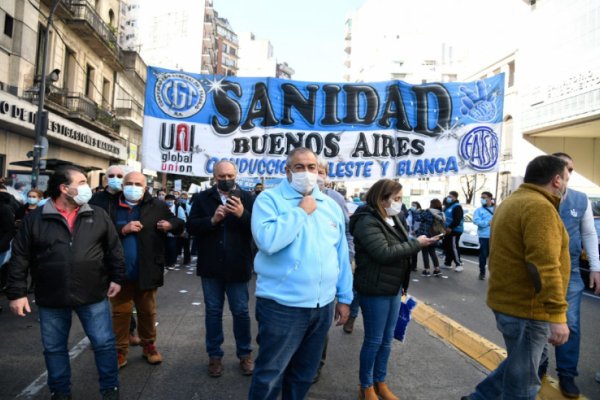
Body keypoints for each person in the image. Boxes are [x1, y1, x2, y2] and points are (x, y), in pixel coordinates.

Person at [6, 166, 125, 400]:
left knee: (104, 344)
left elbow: (114, 250)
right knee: (54, 349)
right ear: (64, 188)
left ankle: (110, 389)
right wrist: (17, 293)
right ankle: (60, 392)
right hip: (51, 296)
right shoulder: (36, 219)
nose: (86, 187)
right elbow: (20, 256)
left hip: (92, 293)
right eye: (81, 182)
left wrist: (117, 278)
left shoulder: (97, 214)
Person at [461, 155, 572, 400]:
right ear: (556, 180)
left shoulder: (512, 201)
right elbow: (543, 265)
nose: (566, 184)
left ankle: (479, 397)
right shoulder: (539, 207)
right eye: (566, 177)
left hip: (511, 306)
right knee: (523, 384)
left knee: (524, 362)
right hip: (527, 310)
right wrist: (557, 315)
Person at [249, 147, 353, 400]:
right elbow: (268, 242)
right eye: (299, 167)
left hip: (322, 306)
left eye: (312, 168)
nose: (307, 173)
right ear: (287, 171)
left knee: (305, 373)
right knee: (270, 374)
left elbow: (340, 255)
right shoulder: (269, 200)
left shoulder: (330, 205)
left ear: (319, 171)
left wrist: (345, 297)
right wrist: (301, 211)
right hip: (281, 306)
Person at [350, 179, 436, 400]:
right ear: (382, 198)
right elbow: (383, 252)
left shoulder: (394, 218)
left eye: (400, 199)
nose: (399, 203)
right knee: (374, 340)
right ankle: (366, 386)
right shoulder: (366, 220)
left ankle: (381, 382)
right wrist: (417, 244)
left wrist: (417, 240)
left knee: (387, 339)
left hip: (394, 286)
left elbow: (401, 242)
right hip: (374, 288)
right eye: (396, 199)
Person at [538, 152, 600, 398]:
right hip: (537, 270)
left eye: (571, 170)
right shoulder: (534, 196)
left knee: (570, 324)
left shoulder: (580, 199)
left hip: (571, 271)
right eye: (565, 169)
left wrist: (595, 267)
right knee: (537, 322)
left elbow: (588, 234)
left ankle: (567, 374)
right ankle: (538, 365)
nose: (568, 174)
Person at [186, 160, 255, 377]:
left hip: (237, 266)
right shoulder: (202, 198)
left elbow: (259, 230)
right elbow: (191, 227)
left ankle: (245, 354)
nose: (226, 180)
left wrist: (243, 214)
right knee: (213, 312)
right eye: (221, 176)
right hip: (211, 267)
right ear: (214, 177)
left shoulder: (249, 198)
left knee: (241, 312)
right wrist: (212, 220)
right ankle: (214, 356)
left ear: (236, 174)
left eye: (229, 175)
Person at [109, 172, 184, 369]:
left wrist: (170, 224)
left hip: (147, 269)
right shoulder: (111, 206)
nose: (133, 187)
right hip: (119, 273)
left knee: (147, 311)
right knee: (120, 313)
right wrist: (122, 230)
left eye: (138, 184)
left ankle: (149, 345)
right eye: (129, 183)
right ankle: (120, 350)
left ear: (145, 187)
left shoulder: (157, 206)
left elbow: (178, 224)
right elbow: (101, 233)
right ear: (123, 186)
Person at [90, 166, 142, 347]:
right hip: (100, 255)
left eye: (120, 176)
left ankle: (129, 331)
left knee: (125, 300)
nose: (115, 179)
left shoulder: (129, 198)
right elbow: (94, 227)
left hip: (123, 255)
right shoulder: (96, 200)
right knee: (100, 300)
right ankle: (99, 335)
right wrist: (121, 229)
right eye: (111, 176)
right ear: (105, 179)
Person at [314, 160, 355, 381]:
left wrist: (348, 258)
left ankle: (316, 365)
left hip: (327, 279)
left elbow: (346, 234)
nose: (316, 175)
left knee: (321, 329)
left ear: (327, 175)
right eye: (312, 170)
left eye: (320, 172)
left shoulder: (335, 199)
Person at [416, 199, 445, 277]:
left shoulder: (428, 212)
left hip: (425, 234)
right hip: (436, 235)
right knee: (432, 252)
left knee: (425, 252)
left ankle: (427, 270)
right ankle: (437, 269)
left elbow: (418, 218)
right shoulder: (441, 213)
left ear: (432, 204)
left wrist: (419, 211)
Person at [472, 191, 495, 280]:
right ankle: (482, 272)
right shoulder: (479, 210)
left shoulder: (497, 208)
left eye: (484, 197)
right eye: (481, 197)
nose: (482, 199)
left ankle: (495, 274)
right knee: (483, 255)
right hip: (484, 236)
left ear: (490, 198)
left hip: (495, 235)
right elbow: (476, 221)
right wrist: (487, 223)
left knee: (495, 256)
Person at [442, 191, 464, 272]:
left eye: (450, 196)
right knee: (448, 246)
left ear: (455, 197)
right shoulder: (449, 206)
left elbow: (457, 220)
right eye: (448, 196)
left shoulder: (457, 207)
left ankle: (459, 264)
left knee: (454, 247)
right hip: (448, 230)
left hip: (455, 230)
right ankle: (447, 263)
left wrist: (450, 227)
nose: (448, 198)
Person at [164, 194, 187, 270]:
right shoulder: (163, 207)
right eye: (168, 199)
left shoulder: (178, 208)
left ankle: (172, 263)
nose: (169, 201)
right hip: (163, 231)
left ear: (174, 200)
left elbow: (183, 219)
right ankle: (166, 262)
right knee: (165, 247)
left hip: (174, 232)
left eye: (171, 199)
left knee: (172, 247)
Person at [407, 202, 422, 272]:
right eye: (412, 205)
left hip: (415, 234)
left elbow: (420, 224)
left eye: (414, 205)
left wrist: (415, 231)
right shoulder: (408, 212)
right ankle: (408, 265)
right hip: (408, 233)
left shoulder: (419, 214)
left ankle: (414, 266)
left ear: (418, 206)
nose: (412, 206)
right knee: (408, 249)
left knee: (414, 250)